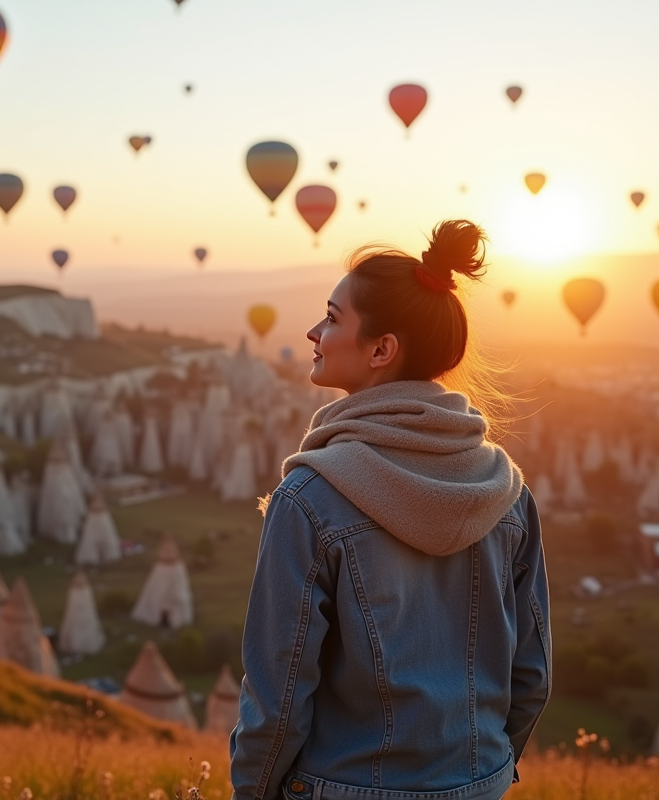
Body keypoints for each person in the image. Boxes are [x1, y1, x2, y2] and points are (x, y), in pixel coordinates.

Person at [230, 220, 550, 800]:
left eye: (331, 318)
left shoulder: (310, 498)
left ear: (382, 349)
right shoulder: (507, 490)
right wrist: (484, 774)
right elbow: (532, 673)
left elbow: (277, 695)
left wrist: (252, 793)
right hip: (480, 782)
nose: (312, 331)